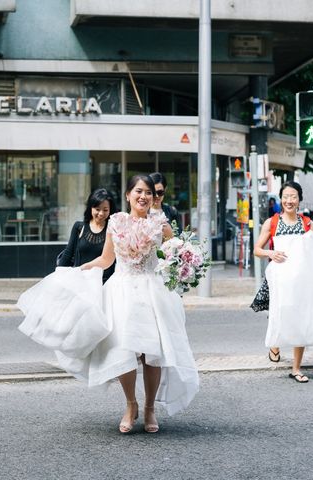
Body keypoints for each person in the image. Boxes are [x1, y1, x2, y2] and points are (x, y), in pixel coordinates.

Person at [78, 175, 199, 433]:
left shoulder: (161, 225)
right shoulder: (115, 222)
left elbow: (175, 256)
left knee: (152, 354)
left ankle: (150, 408)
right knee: (125, 350)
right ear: (128, 195)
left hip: (153, 292)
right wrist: (83, 268)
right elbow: (106, 259)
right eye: (138, 191)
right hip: (122, 293)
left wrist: (187, 268)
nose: (144, 197)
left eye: (149, 193)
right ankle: (130, 404)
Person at [251, 181, 313, 383]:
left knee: (300, 320)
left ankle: (296, 368)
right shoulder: (272, 222)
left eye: (293, 196)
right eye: (286, 196)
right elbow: (257, 250)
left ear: (299, 199)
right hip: (279, 278)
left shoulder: (307, 224)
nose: (289, 200)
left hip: (301, 279)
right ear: (281, 199)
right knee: (280, 314)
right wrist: (271, 252)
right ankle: (275, 344)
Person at [57, 188, 117, 283]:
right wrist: (58, 276)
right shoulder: (79, 227)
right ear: (90, 208)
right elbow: (68, 254)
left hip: (104, 284)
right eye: (97, 209)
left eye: (105, 210)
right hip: (80, 282)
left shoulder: (114, 230)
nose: (101, 213)